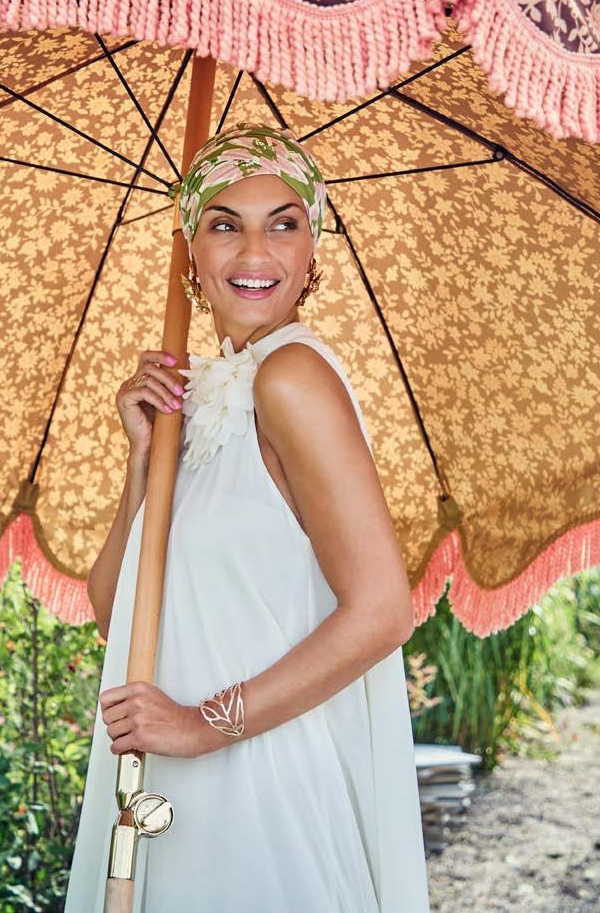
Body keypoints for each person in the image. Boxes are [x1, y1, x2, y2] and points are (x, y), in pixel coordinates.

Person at [63, 123, 430, 911]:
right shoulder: (195, 400)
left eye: (283, 224)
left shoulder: (291, 378)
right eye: (225, 225)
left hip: (262, 797)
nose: (254, 253)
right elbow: (115, 615)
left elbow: (382, 612)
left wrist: (200, 726)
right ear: (191, 251)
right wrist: (142, 460)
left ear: (312, 250)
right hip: (174, 794)